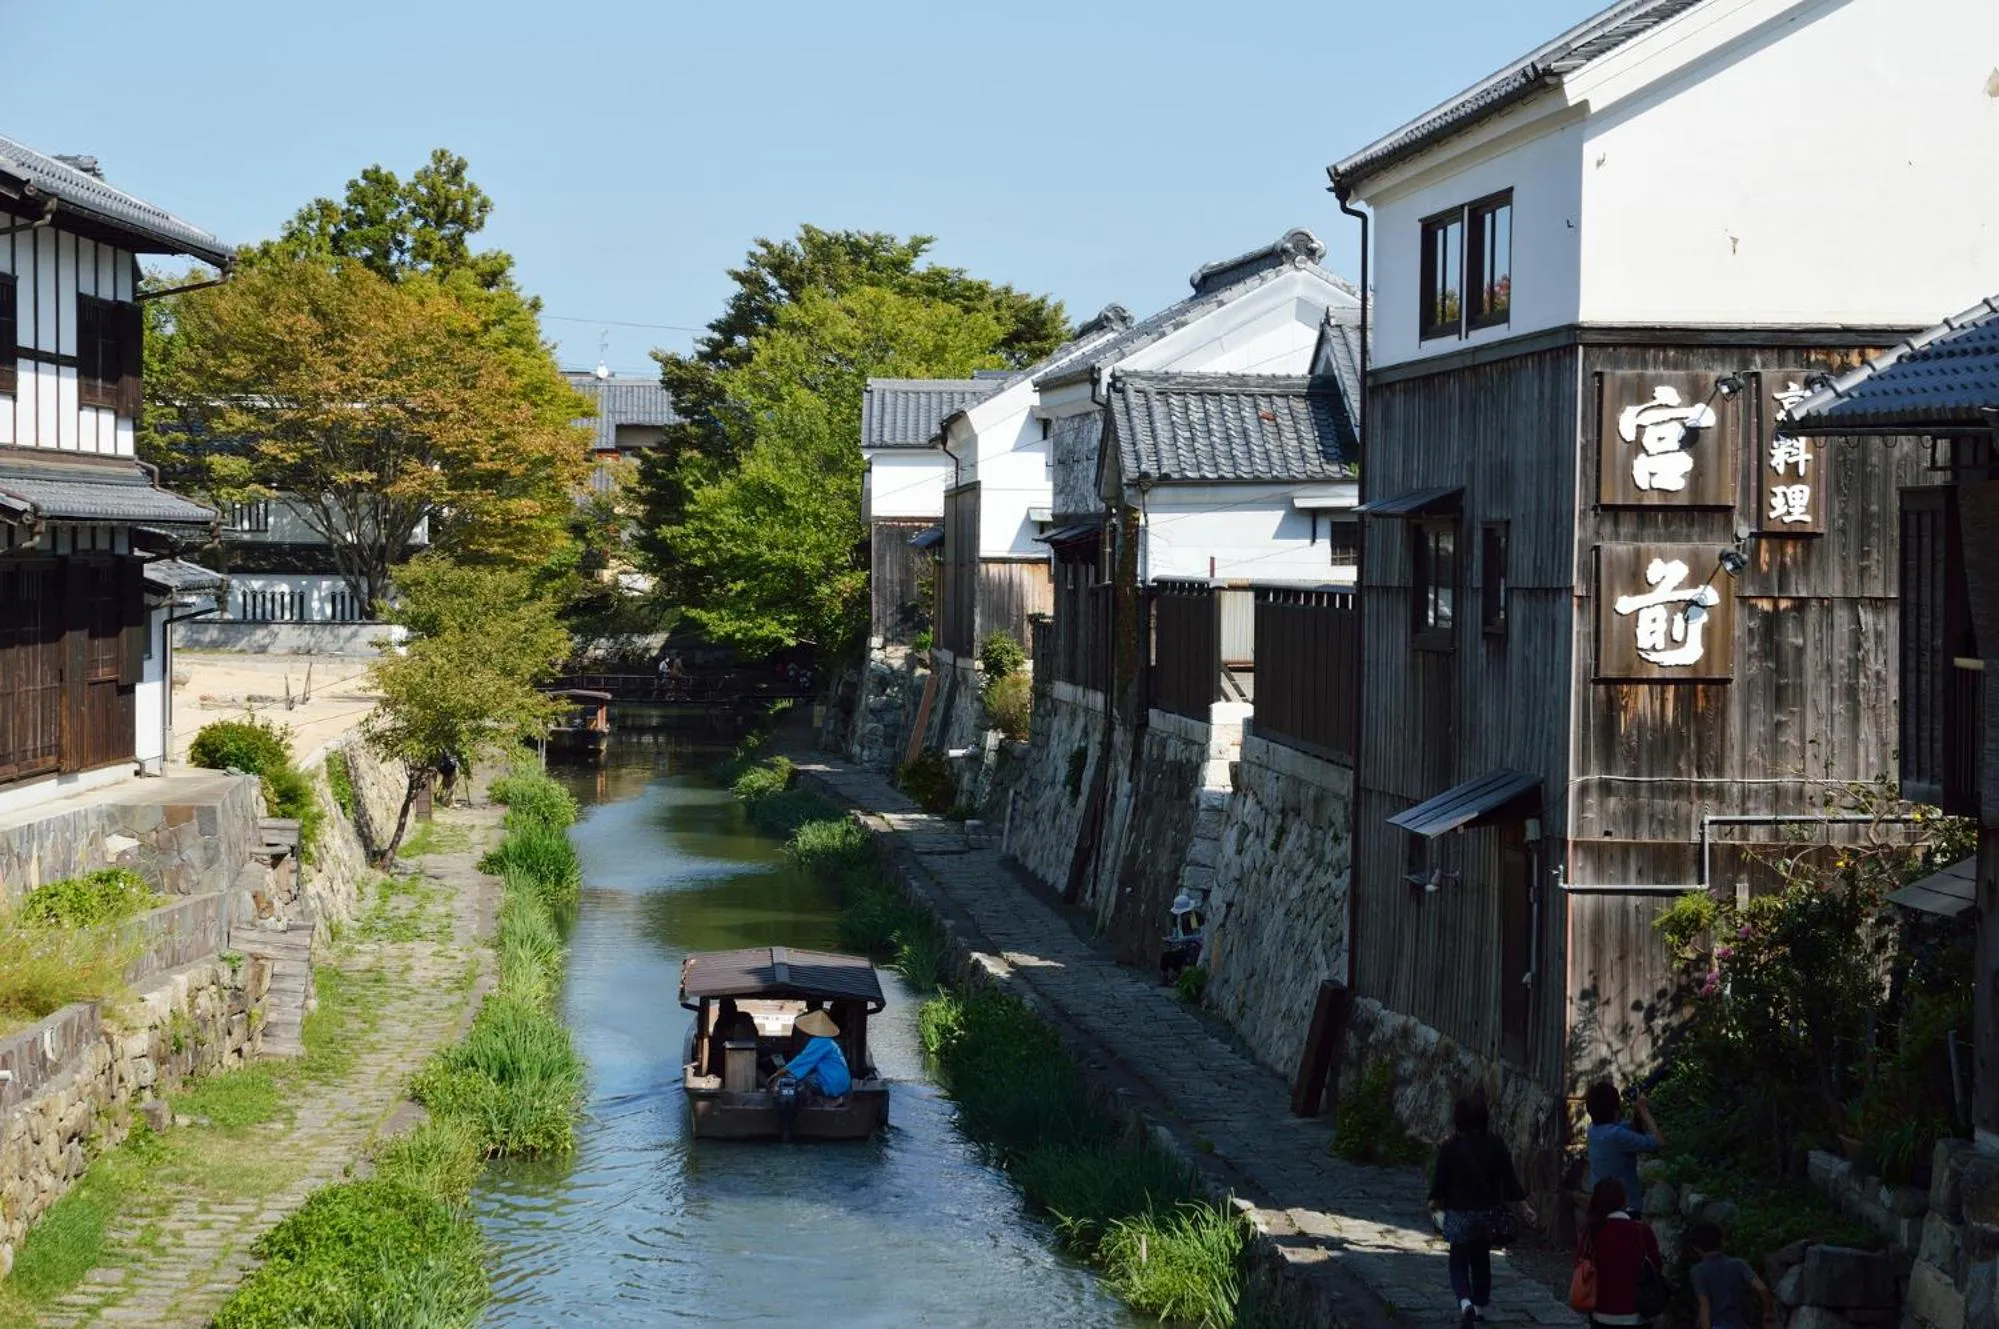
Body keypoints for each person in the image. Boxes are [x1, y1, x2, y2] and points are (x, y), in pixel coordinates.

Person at [1429, 1093, 1535, 1329]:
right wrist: (1524, 1206)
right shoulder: (1496, 1144)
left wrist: (1434, 1202)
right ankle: (1479, 1306)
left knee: (1458, 1261)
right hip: (1487, 1214)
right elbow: (1509, 1179)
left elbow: (1440, 1181)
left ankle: (1465, 1302)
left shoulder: (1450, 1148)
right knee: (1480, 1260)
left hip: (1458, 1214)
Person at [1579, 1179, 1663, 1328]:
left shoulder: (1592, 1231)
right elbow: (1656, 1264)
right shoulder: (1641, 1230)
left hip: (1601, 1309)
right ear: (1623, 1200)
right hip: (1637, 1310)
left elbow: (1581, 1265)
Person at [1585, 1081, 1664, 1217]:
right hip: (1625, 1210)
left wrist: (1637, 1113)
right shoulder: (1617, 1136)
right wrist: (1644, 1111)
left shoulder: (1593, 1129)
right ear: (1616, 1111)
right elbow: (1659, 1142)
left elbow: (1628, 1128)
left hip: (1602, 1207)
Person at [1687, 1221, 1775, 1329]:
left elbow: (1705, 1307)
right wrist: (1768, 1314)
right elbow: (1762, 1289)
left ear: (1696, 1248)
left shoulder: (1698, 1271)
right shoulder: (1738, 1264)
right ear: (1721, 1241)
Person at [768, 1009, 851, 1101]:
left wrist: (782, 1071)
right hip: (840, 1081)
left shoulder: (820, 1041)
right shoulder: (828, 1041)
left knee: (795, 1084)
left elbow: (802, 1060)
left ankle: (821, 1101)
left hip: (833, 1083)